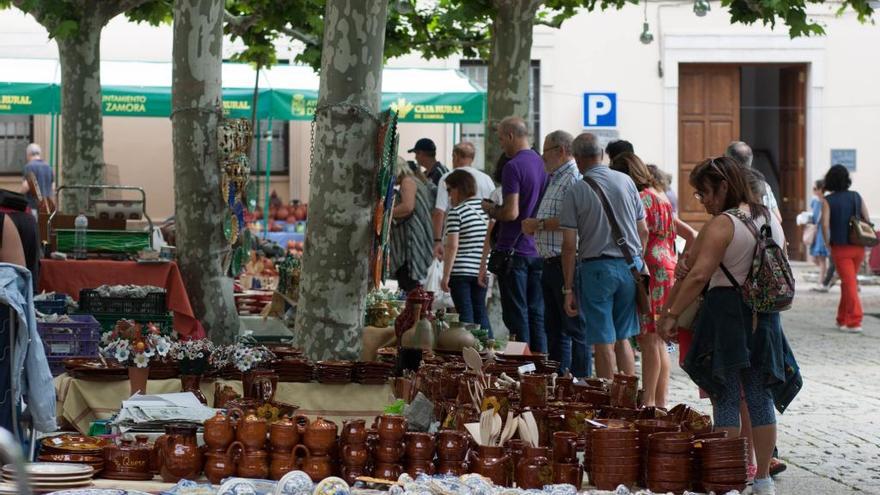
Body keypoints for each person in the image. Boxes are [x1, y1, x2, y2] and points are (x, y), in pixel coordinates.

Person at [658, 157, 800, 495]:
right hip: (763, 317)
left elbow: (699, 275)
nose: (702, 200)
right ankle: (763, 479)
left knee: (724, 396)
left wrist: (671, 315)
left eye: (704, 192)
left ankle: (727, 478)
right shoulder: (769, 219)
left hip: (728, 317)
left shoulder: (725, 223)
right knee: (758, 396)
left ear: (724, 187)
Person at [560, 133, 648, 379]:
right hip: (630, 267)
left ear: (577, 159)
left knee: (602, 340)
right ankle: (628, 400)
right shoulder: (626, 182)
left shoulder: (576, 191)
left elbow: (569, 246)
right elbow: (644, 230)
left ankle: (609, 399)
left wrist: (568, 289)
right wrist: (635, 259)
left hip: (596, 270)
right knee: (623, 338)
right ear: (601, 155)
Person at [611, 152, 695, 407]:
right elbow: (690, 234)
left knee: (648, 339)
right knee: (658, 340)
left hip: (650, 268)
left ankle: (647, 402)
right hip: (666, 266)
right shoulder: (660, 196)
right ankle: (659, 402)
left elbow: (639, 233)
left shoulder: (640, 199)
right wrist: (681, 261)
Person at [521, 130, 591, 377]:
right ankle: (559, 379)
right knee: (555, 329)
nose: (542, 158)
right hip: (550, 262)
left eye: (545, 153)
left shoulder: (572, 177)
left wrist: (538, 225)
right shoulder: (556, 178)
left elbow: (572, 220)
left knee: (575, 327)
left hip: (566, 262)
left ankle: (581, 383)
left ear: (560, 151)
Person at [481, 116, 547, 353]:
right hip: (538, 249)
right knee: (537, 313)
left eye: (500, 138)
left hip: (514, 250)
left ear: (511, 136)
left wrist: (489, 209)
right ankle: (541, 367)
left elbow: (510, 212)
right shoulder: (543, 163)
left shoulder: (513, 166)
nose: (500, 144)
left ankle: (521, 366)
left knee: (516, 315)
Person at [821, 164, 872, 333]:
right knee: (848, 283)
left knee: (849, 283)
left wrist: (827, 242)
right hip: (858, 246)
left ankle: (855, 321)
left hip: (840, 248)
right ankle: (842, 318)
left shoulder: (828, 200)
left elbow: (825, 224)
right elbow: (867, 217)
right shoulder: (856, 196)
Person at [440, 170, 491, 331]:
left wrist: (446, 275)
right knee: (481, 311)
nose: (449, 196)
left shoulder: (456, 212)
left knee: (466, 315)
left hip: (460, 272)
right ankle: (487, 349)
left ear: (458, 188)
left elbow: (452, 246)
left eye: (449, 190)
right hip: (482, 270)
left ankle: (469, 350)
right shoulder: (487, 209)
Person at [432, 142, 495, 259]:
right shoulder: (487, 179)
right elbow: (493, 211)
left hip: (455, 235)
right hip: (481, 238)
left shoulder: (448, 178)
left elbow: (439, 212)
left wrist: (437, 240)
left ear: (455, 156)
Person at [390, 156, 435, 293]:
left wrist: (386, 214)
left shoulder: (407, 181)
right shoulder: (415, 180)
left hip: (412, 241)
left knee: (409, 285)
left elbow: (407, 207)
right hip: (416, 238)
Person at [725, 141, 782, 223]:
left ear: (730, 160)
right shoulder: (764, 185)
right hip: (766, 232)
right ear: (750, 159)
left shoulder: (728, 186)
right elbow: (778, 219)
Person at [19, 143, 54, 212]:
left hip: (33, 207)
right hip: (46, 208)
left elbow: (26, 186)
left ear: (28, 154)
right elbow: (52, 188)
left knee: (34, 222)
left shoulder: (29, 167)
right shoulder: (49, 167)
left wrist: (18, 196)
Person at [808, 179, 829, 286]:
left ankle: (821, 282)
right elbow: (812, 215)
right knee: (814, 258)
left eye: (815, 189)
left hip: (822, 231)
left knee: (821, 259)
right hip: (816, 231)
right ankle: (824, 278)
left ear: (821, 190)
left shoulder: (825, 201)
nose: (814, 191)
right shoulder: (814, 201)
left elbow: (822, 219)